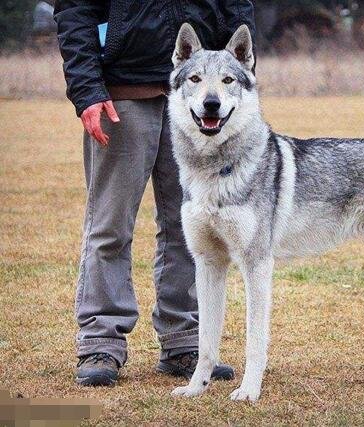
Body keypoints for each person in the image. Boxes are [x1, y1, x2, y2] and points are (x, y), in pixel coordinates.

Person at [54, 0, 255, 387]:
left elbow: (236, 7)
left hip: (199, 96)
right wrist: (87, 90)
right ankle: (100, 341)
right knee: (110, 226)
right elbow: (74, 9)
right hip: (122, 90)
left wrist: (235, 75)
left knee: (190, 226)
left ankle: (184, 340)